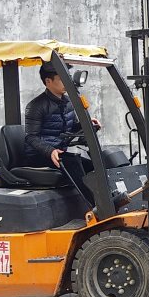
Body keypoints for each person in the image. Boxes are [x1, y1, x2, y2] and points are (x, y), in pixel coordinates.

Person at [24, 61, 100, 203]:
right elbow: (31, 137)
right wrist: (50, 151)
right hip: (39, 155)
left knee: (94, 165)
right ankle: (94, 206)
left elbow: (70, 128)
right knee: (73, 162)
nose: (67, 82)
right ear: (48, 81)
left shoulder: (69, 102)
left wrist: (86, 125)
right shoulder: (36, 106)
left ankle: (106, 201)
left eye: (67, 77)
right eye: (61, 78)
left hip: (60, 153)